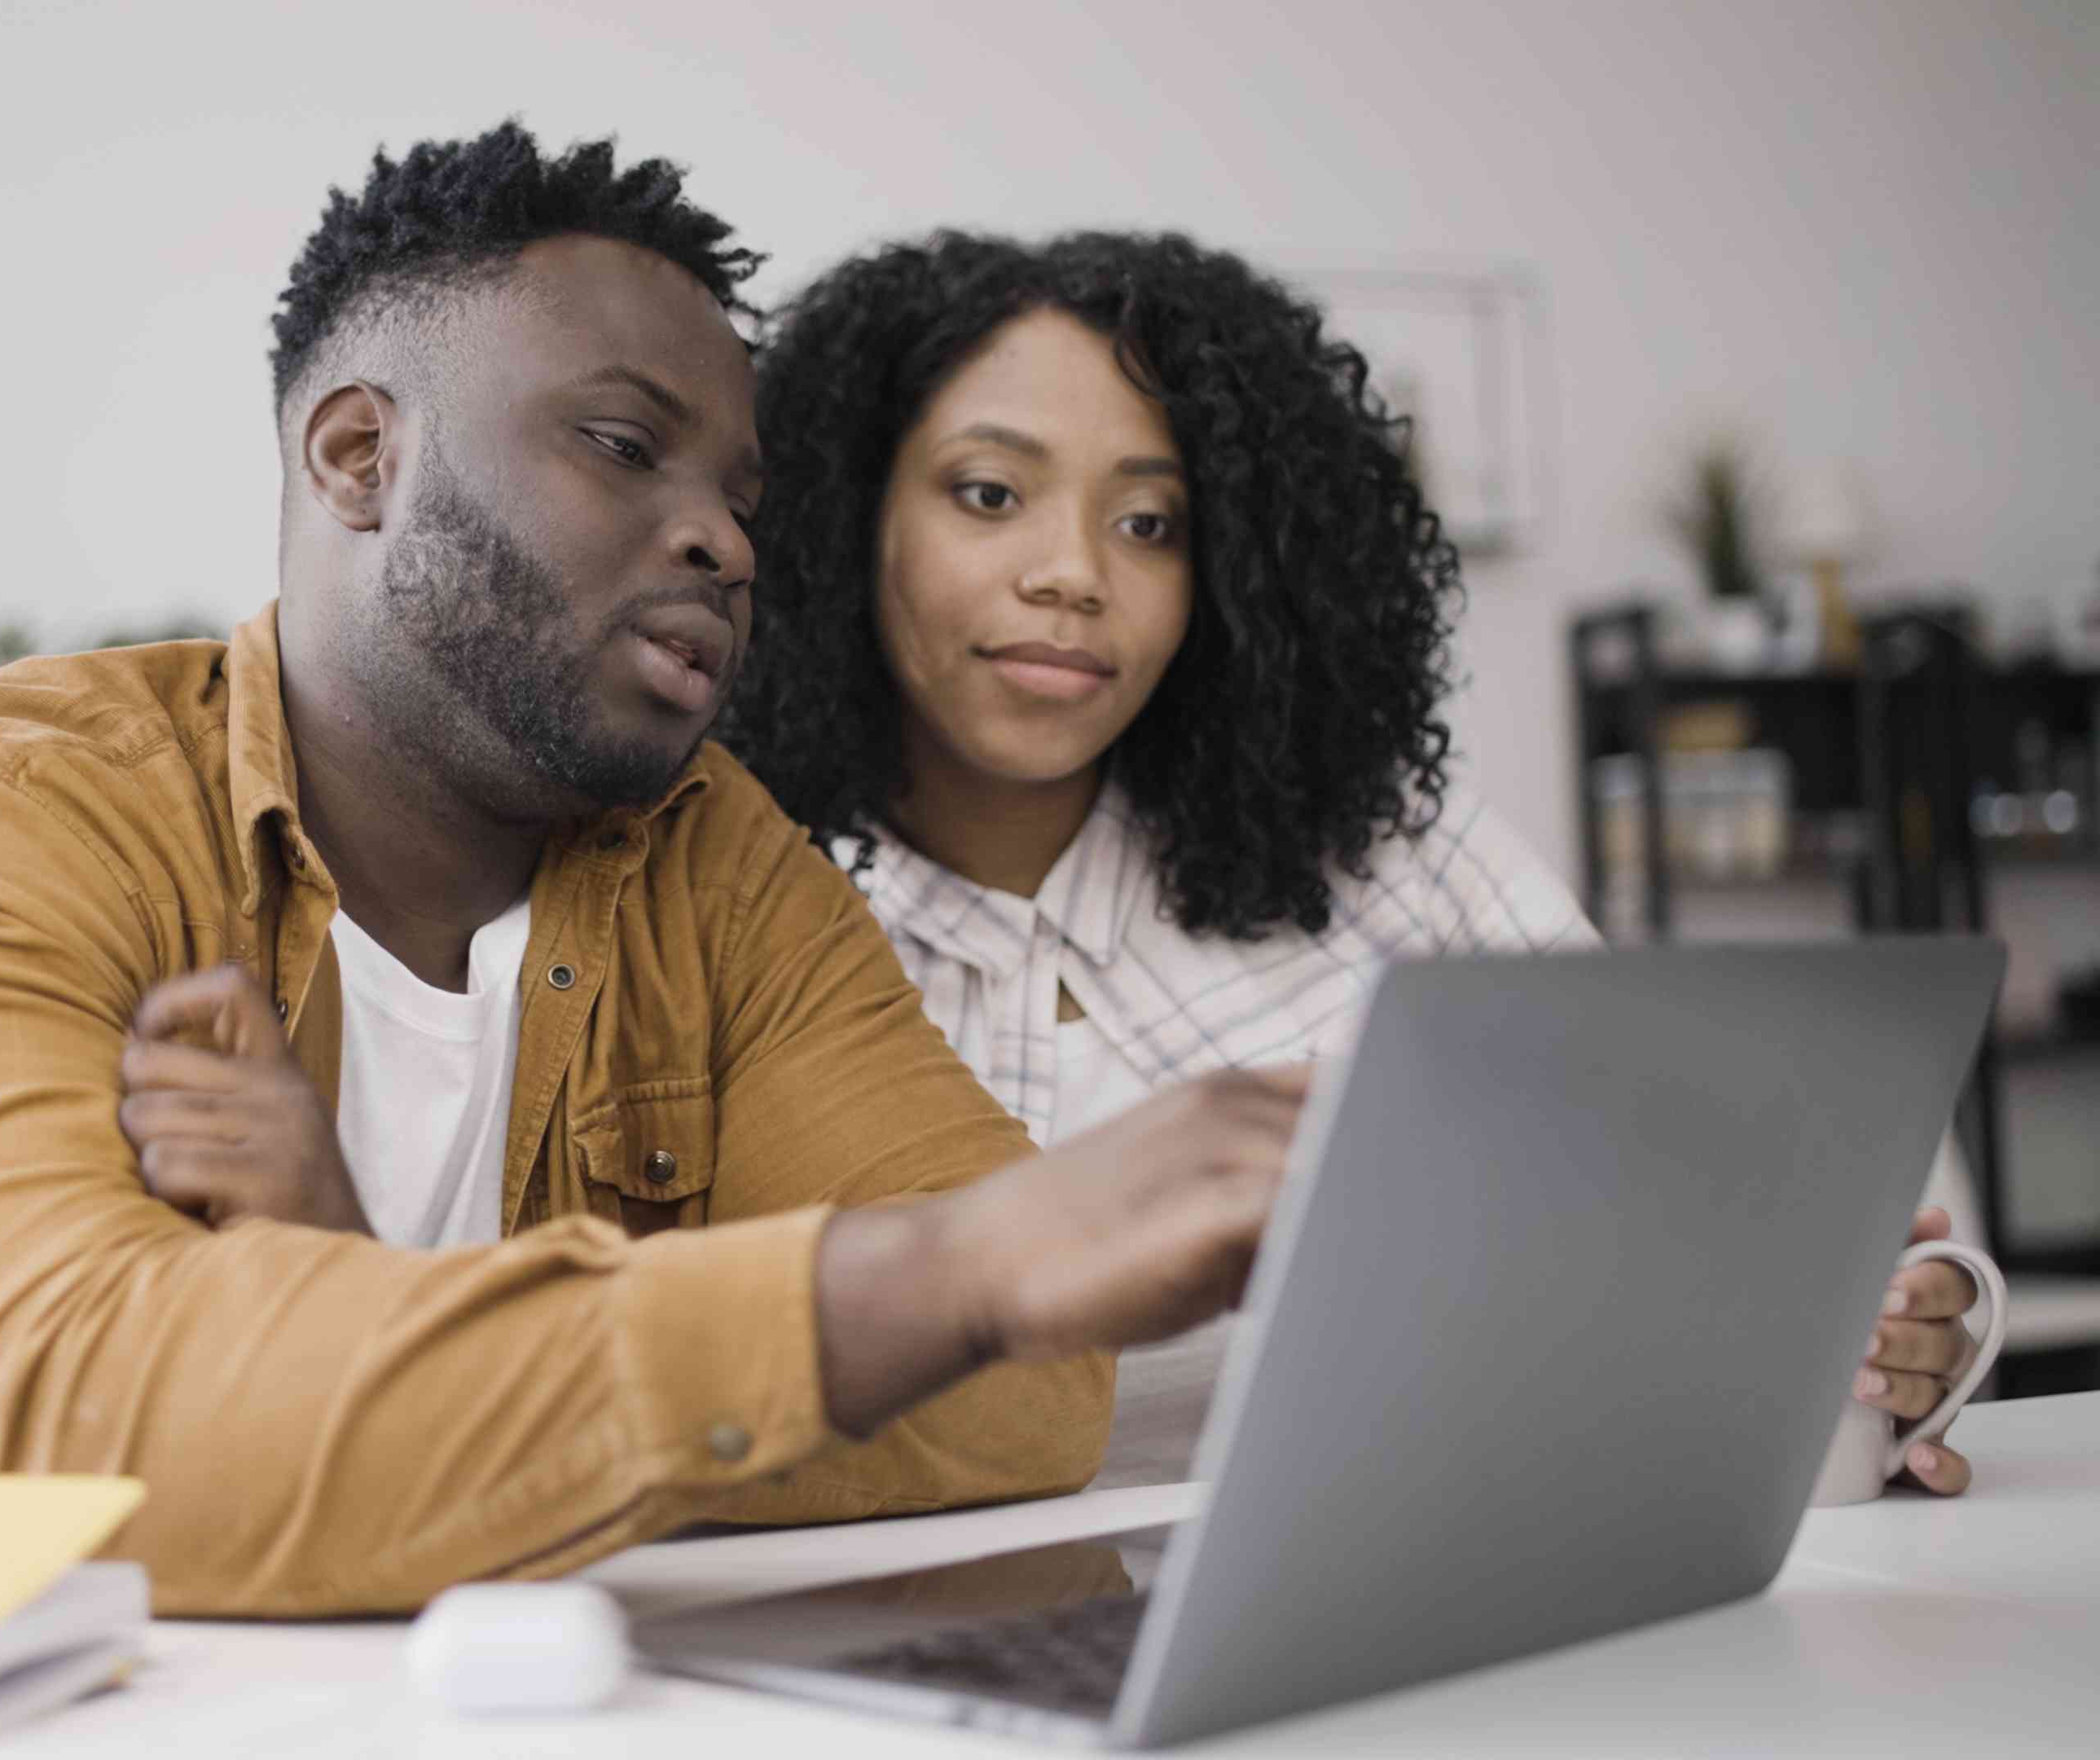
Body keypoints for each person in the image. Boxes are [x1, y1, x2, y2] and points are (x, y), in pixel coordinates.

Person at [0, 126, 1310, 1613]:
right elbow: (98, 1453)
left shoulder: (718, 868)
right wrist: (947, 1277)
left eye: (739, 496)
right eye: (622, 445)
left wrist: (373, 1305)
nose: (725, 540)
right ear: (356, 456)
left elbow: (1023, 1397)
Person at [717, 228, 1988, 1494]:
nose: (1073, 576)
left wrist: (1896, 1331)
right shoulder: (725, 914)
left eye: (1152, 522)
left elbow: (1696, 1210)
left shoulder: (1393, 861)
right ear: (846, 516)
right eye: (989, 494)